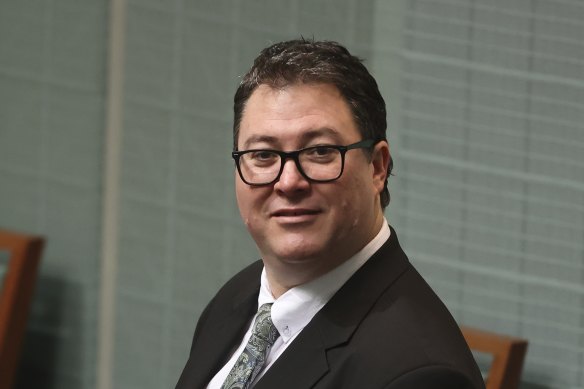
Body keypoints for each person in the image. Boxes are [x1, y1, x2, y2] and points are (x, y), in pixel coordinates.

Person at [176, 38, 485, 389]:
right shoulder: (240, 296)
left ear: (377, 168)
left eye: (320, 151)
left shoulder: (420, 375)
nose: (288, 182)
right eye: (263, 155)